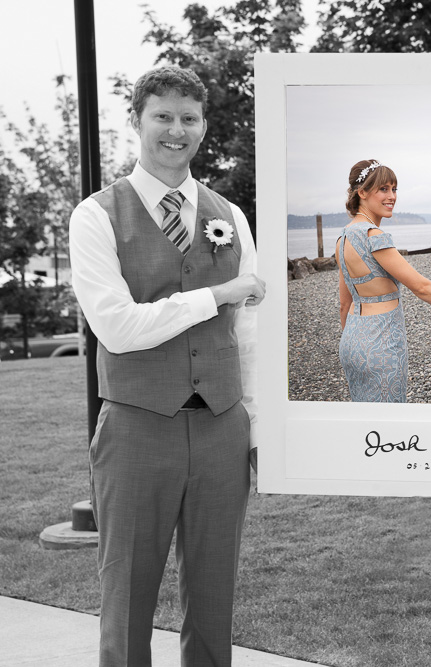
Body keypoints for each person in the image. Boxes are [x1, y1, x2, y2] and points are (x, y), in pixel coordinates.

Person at [69, 65, 265, 666]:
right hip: (135, 428)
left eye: (188, 118)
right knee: (126, 598)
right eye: (163, 116)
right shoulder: (97, 216)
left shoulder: (229, 215)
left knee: (213, 599)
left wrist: (253, 428)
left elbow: (249, 333)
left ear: (203, 126)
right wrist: (219, 293)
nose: (175, 130)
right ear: (137, 122)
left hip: (221, 427)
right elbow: (119, 328)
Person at [337, 159, 431, 402]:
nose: (392, 196)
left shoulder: (342, 238)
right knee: (388, 424)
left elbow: (344, 305)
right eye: (383, 189)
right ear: (363, 192)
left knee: (364, 421)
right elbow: (422, 287)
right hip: (382, 341)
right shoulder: (374, 236)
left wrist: (354, 345)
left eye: (394, 189)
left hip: (351, 340)